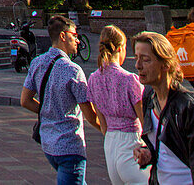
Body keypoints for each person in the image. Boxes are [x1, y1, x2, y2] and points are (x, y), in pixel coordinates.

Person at [21, 13, 101, 184]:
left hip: (48, 143)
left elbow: (25, 101)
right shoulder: (73, 71)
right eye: (75, 36)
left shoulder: (37, 62)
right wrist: (110, 132)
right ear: (63, 36)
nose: (78, 40)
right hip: (69, 146)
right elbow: (90, 114)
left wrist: (48, 110)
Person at [132, 30, 194, 185]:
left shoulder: (188, 107)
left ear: (165, 64)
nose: (137, 65)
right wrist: (148, 153)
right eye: (136, 58)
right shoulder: (150, 96)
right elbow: (166, 148)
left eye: (145, 59)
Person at [86, 24, 148, 184]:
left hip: (111, 144)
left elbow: (102, 122)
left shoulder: (93, 79)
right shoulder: (129, 80)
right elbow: (144, 121)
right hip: (132, 141)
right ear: (121, 48)